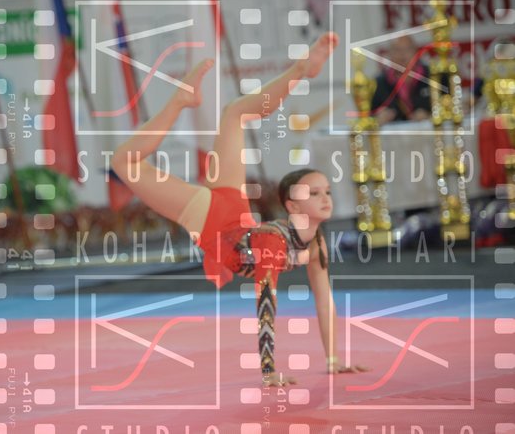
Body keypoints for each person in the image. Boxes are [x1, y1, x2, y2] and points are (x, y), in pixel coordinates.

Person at [111, 32, 368, 386]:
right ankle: (286, 73)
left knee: (234, 113)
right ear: (292, 205)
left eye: (327, 191)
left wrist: (334, 359)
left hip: (235, 211)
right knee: (123, 162)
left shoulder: (316, 243)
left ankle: (299, 71)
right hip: (211, 217)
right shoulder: (275, 244)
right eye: (314, 193)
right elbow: (266, 304)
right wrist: (269, 371)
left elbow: (324, 300)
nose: (326, 198)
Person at [371, 35, 432, 125]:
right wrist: (378, 118)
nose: (402, 55)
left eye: (407, 49)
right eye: (397, 50)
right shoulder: (378, 83)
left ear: (416, 52)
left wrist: (430, 115)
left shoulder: (432, 76)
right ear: (389, 54)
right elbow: (369, 116)